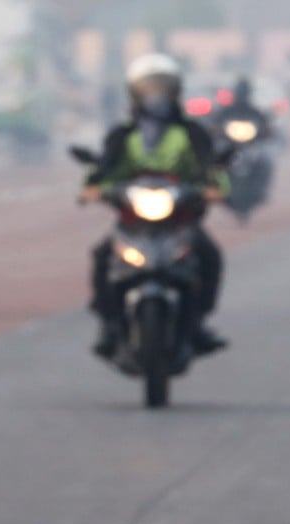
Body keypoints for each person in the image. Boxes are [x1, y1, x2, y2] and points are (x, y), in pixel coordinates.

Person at [81, 53, 229, 357]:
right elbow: (105, 170)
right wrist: (96, 188)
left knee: (210, 255)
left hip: (180, 221)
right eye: (149, 87)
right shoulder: (123, 135)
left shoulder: (191, 133)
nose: (156, 94)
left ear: (176, 90)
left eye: (162, 86)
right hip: (132, 221)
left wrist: (213, 188)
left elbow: (211, 169)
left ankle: (199, 323)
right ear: (135, 91)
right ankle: (109, 323)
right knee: (101, 256)